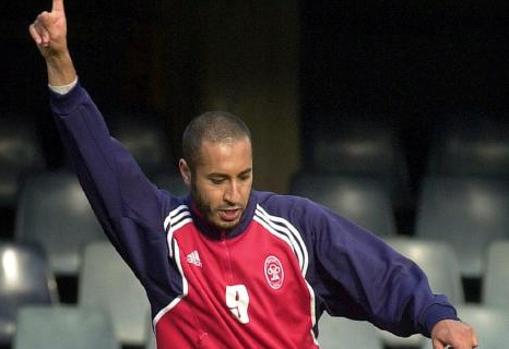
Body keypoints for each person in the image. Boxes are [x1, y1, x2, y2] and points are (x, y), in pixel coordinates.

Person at [29, 1, 478, 348]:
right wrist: (61, 64)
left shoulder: (297, 226)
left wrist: (437, 315)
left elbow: (379, 273)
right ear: (186, 173)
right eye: (218, 180)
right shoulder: (159, 234)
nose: (234, 194)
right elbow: (99, 160)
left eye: (244, 176)